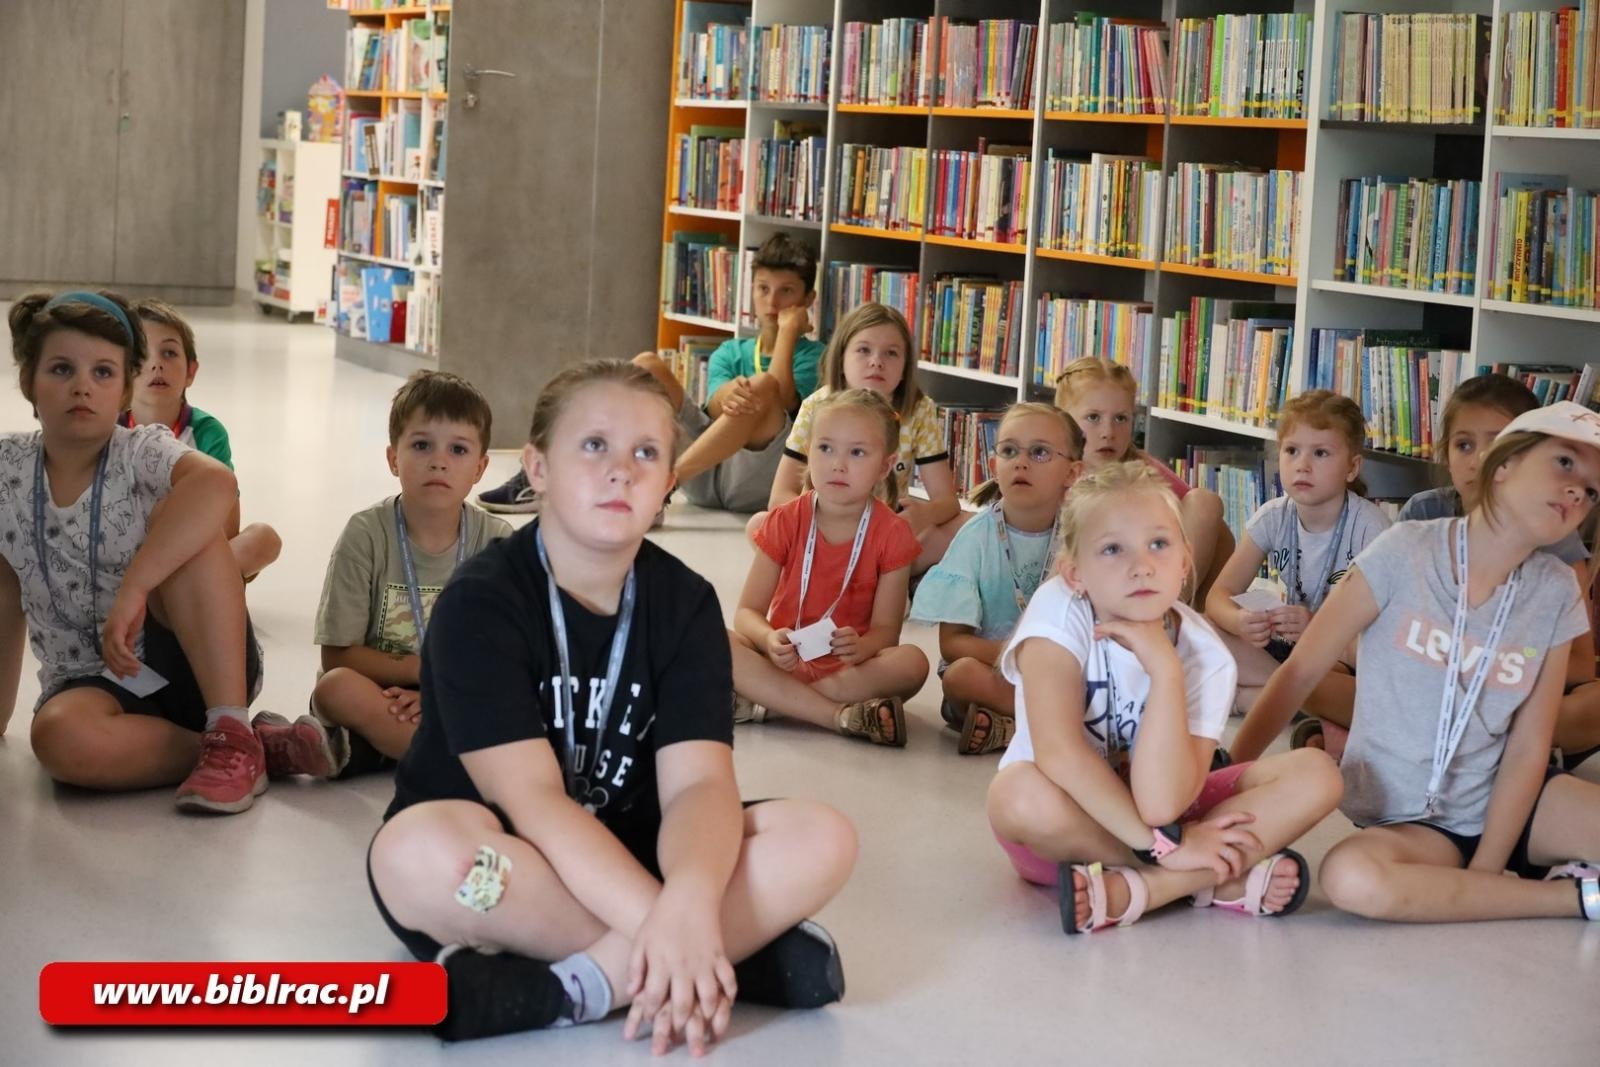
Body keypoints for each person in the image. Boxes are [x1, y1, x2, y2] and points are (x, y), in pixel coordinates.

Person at [367, 360, 857, 1048]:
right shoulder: (481, 604)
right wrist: (673, 919)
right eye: (594, 445)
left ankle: (579, 985)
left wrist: (686, 893)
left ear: (667, 481)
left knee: (823, 836)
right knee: (421, 858)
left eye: (647, 452)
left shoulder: (685, 603)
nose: (621, 470)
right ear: (536, 467)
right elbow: (534, 802)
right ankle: (719, 959)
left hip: (639, 851)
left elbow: (699, 786)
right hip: (508, 858)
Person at [1229, 402, 1600, 924]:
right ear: (1505, 463)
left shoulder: (1557, 589)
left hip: (1516, 802)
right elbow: (1300, 674)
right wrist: (1225, 781)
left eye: (1591, 489)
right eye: (1565, 463)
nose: (1576, 491)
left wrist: (1488, 869)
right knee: (1350, 878)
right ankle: (1574, 897)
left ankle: (1487, 888)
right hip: (1413, 822)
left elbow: (1529, 747)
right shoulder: (1405, 549)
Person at [1, 291, 333, 814]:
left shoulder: (141, 450)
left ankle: (229, 721)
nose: (82, 386)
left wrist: (135, 587)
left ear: (127, 388)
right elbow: (4, 594)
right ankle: (244, 748)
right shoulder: (8, 471)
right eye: (61, 369)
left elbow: (216, 483)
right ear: (28, 384)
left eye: (104, 372)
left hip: (192, 662)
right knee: (58, 741)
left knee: (186, 526)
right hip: (91, 685)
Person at [986, 461, 1343, 933]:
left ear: (1184, 561)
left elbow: (1161, 806)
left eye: (1159, 544)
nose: (1142, 566)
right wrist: (1166, 849)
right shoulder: (1058, 611)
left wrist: (1166, 669)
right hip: (1073, 830)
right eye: (1112, 549)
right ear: (1075, 573)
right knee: (1016, 794)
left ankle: (1145, 891)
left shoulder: (1206, 654)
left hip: (1168, 818)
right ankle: (1197, 878)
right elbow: (1059, 755)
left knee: (1318, 773)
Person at [312, 371, 511, 777]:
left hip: (461, 692)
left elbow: (508, 655)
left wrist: (441, 690)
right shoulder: (366, 534)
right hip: (381, 690)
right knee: (335, 688)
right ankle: (449, 760)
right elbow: (336, 654)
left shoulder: (496, 541)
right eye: (421, 445)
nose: (439, 460)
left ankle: (372, 752)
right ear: (393, 458)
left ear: (480, 467)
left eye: (458, 449)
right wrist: (418, 672)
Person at [1398, 374, 1599, 771]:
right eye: (1463, 445)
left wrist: (1497, 674)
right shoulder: (1421, 518)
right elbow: (1380, 634)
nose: (1478, 460)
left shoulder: (1554, 538)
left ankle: (1494, 744)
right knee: (1322, 673)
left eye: (1498, 442)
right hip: (1426, 680)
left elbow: (1579, 663)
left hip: (1516, 690)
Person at [729, 389, 929, 745]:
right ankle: (838, 715)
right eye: (825, 448)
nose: (838, 463)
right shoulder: (785, 519)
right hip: (782, 656)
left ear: (885, 465)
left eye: (857, 452)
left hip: (846, 666)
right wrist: (767, 638)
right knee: (717, 641)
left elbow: (886, 632)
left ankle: (769, 702)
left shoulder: (893, 533)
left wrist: (863, 647)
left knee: (913, 662)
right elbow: (747, 612)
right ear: (809, 452)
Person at [1205, 390, 1390, 743]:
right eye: (1292, 451)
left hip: (1340, 660)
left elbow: (1379, 637)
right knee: (1194, 630)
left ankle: (1255, 698)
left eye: (1320, 453)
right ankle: (1289, 704)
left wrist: (1316, 629)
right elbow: (1218, 595)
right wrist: (1240, 622)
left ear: (1352, 467)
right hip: (1284, 649)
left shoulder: (1371, 528)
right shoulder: (1274, 516)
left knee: (1323, 677)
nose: (1302, 465)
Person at [911, 403, 1083, 754]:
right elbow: (952, 644)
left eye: (1039, 453)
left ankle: (1012, 728)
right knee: (962, 677)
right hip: (997, 672)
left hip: (1061, 674)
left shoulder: (1083, 537)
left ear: (1072, 473)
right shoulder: (976, 537)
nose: (1021, 462)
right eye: (1009, 451)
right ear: (994, 466)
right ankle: (1053, 730)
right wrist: (1019, 657)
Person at [764, 302, 966, 571]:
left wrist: (924, 514)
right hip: (824, 527)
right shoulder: (817, 406)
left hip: (885, 532)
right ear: (841, 359)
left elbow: (947, 502)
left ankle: (883, 575)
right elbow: (779, 496)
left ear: (906, 366)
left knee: (968, 524)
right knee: (760, 524)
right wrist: (829, 518)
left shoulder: (918, 409)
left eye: (891, 353)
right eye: (863, 350)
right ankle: (876, 577)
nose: (877, 361)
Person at [1055, 356, 1234, 603]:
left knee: (1205, 502)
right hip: (1082, 587)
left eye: (1121, 418)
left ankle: (1167, 613)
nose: (1108, 432)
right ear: (1064, 421)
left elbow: (1216, 528)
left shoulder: (1141, 466)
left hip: (1145, 575)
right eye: (1093, 418)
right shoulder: (1054, 470)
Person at [125, 300, 281, 580]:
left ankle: (192, 589)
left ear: (191, 372)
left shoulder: (207, 432)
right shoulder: (111, 431)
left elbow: (226, 524)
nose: (156, 364)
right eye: (141, 354)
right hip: (126, 557)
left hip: (192, 556)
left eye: (169, 352)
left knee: (264, 539)